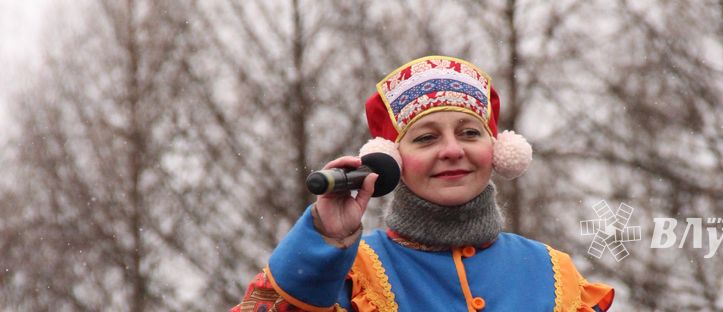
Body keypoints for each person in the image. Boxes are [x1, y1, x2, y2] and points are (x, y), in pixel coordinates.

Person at [232, 55, 614, 311]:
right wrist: (324, 238)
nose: (451, 150)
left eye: (468, 133)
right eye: (426, 138)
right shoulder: (351, 274)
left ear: (498, 151)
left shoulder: (551, 272)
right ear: (391, 159)